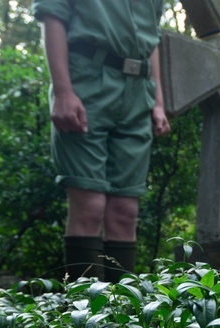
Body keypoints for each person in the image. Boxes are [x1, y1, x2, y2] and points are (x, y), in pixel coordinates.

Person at [33, 1, 171, 282]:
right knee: (89, 205)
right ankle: (83, 320)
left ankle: (121, 320)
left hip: (139, 93)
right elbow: (52, 15)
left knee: (125, 211)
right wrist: (62, 91)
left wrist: (158, 103)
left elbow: (152, 38)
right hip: (86, 82)